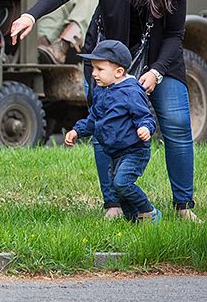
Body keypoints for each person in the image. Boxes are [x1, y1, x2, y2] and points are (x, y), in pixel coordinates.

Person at [9, 0, 197, 222]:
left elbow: (176, 34)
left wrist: (157, 71)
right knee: (104, 127)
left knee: (177, 124)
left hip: (159, 58)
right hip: (112, 57)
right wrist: (31, 14)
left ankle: (183, 206)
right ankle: (112, 203)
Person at [65, 40, 160, 223]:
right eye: (93, 69)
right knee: (116, 189)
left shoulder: (131, 91)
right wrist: (77, 131)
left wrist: (144, 128)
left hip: (134, 150)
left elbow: (146, 117)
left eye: (100, 69)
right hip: (115, 152)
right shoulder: (101, 91)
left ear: (119, 72)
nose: (93, 74)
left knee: (122, 183)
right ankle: (133, 221)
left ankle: (148, 211)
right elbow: (94, 119)